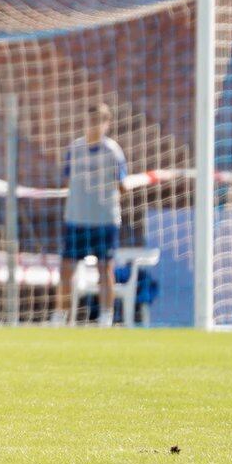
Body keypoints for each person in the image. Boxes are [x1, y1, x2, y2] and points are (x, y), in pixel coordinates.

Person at [54, 102, 129, 327]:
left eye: (99, 120)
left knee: (105, 267)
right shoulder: (75, 149)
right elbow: (66, 180)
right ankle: (60, 316)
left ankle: (105, 316)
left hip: (104, 219)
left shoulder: (113, 151)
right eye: (90, 120)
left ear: (107, 124)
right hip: (76, 218)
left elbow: (122, 184)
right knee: (66, 268)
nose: (93, 125)